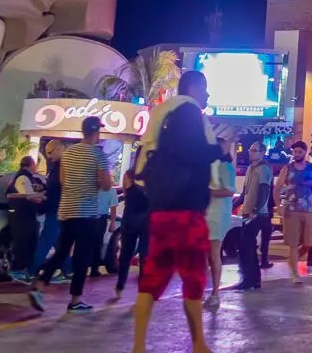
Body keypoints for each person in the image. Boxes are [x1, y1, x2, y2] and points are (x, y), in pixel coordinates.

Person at [132, 70, 225, 353]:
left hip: (161, 209)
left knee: (153, 276)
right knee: (193, 276)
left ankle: (138, 345)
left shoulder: (164, 113)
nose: (207, 94)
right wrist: (219, 150)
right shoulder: (188, 110)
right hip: (187, 211)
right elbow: (192, 151)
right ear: (194, 86)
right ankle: (199, 344)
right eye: (205, 88)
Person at [30, 116, 112, 314]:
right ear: (96, 132)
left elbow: (64, 181)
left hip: (66, 210)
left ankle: (40, 284)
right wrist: (95, 181)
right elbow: (106, 185)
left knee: (62, 251)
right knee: (81, 257)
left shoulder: (68, 153)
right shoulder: (98, 155)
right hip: (86, 213)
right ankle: (75, 301)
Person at [275, 140, 312, 284]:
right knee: (293, 243)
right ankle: (295, 273)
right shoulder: (288, 168)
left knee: (309, 242)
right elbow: (277, 188)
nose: (297, 154)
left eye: (300, 152)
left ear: (305, 152)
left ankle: (292, 260)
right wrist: (279, 205)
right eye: (295, 152)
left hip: (308, 210)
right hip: (291, 210)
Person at [28, 140, 72, 282]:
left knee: (45, 241)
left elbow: (61, 191)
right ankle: (68, 272)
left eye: (50, 152)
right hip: (59, 211)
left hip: (57, 211)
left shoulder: (62, 167)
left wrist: (45, 197)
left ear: (59, 149)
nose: (47, 156)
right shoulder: (58, 167)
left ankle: (30, 271)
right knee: (58, 244)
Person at [236, 141, 273, 291]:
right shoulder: (251, 168)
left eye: (254, 150)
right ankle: (254, 280)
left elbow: (264, 191)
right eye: (250, 149)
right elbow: (244, 193)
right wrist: (233, 206)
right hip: (248, 212)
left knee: (245, 246)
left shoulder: (264, 169)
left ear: (262, 153)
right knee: (249, 247)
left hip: (258, 214)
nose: (250, 152)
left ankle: (248, 279)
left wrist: (256, 211)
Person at [204, 137, 236, 309]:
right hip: (206, 213)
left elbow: (229, 190)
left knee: (214, 254)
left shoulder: (225, 167)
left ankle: (215, 293)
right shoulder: (211, 165)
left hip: (217, 215)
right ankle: (203, 291)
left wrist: (207, 191)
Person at [6, 156, 45, 282]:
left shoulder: (30, 177)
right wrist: (42, 197)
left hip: (27, 216)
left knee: (30, 243)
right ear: (31, 164)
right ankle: (18, 270)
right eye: (35, 164)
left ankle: (26, 270)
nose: (36, 166)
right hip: (21, 216)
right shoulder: (23, 177)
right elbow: (29, 196)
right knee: (22, 243)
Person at [116, 169, 149, 298]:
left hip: (130, 217)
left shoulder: (130, 173)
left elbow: (125, 190)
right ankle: (142, 290)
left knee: (126, 253)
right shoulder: (153, 174)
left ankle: (120, 285)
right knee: (144, 255)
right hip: (146, 219)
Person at [91, 183, 119, 277]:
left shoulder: (110, 190)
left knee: (96, 243)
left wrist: (112, 223)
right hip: (92, 218)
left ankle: (94, 269)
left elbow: (113, 208)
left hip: (97, 219)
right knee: (95, 243)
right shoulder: (92, 186)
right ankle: (93, 269)